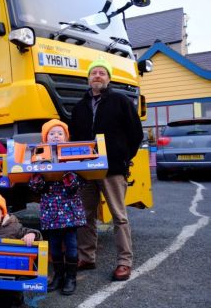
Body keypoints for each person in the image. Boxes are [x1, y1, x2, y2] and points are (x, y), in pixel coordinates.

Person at [70, 58, 143, 281]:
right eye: (94, 73)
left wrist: (122, 157)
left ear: (108, 78)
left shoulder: (120, 101)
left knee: (119, 217)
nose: (98, 76)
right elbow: (73, 140)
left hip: (112, 169)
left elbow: (135, 134)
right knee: (85, 216)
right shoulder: (79, 107)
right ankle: (87, 257)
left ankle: (124, 262)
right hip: (86, 170)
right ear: (88, 79)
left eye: (102, 73)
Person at [28, 119, 86, 295]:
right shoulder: (39, 157)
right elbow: (34, 187)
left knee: (71, 245)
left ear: (66, 138)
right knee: (54, 246)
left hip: (69, 210)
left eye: (60, 133)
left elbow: (79, 183)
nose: (56, 136)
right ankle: (58, 276)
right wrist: (39, 177)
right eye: (51, 133)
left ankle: (71, 278)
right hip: (51, 211)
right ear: (45, 138)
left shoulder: (72, 156)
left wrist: (68, 173)